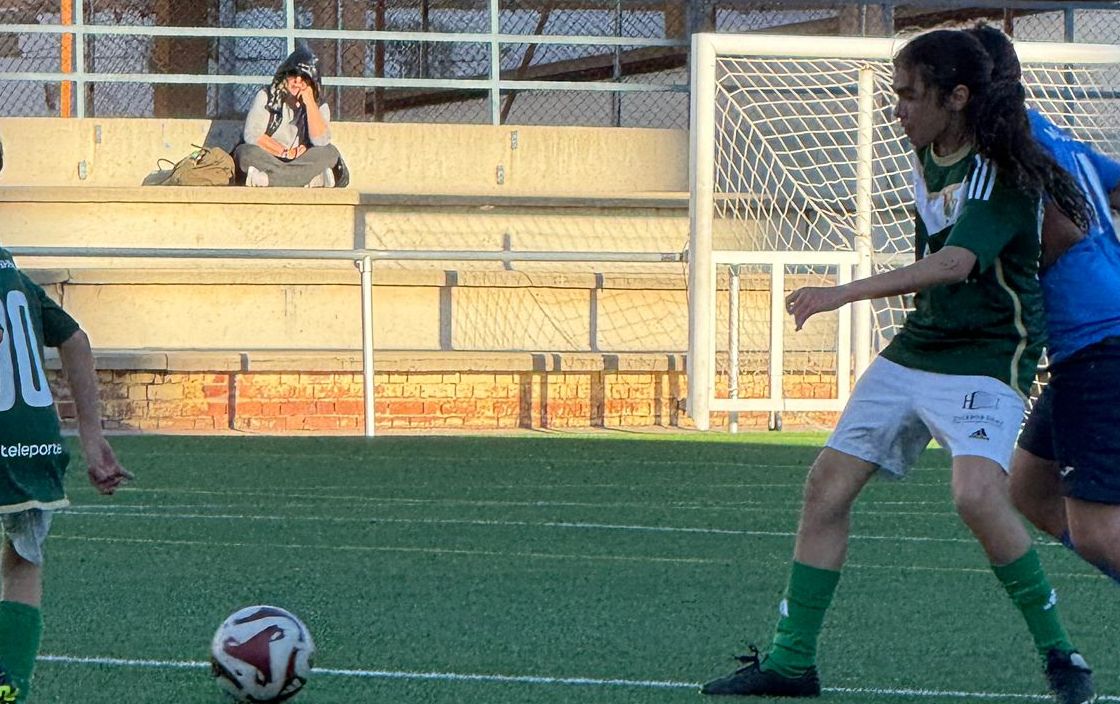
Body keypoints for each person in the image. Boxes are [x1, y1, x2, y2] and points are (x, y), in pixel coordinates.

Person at [700, 28, 1096, 703]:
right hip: (921, 344)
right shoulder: (931, 152)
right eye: (896, 96)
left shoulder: (997, 168)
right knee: (825, 486)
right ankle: (792, 664)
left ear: (957, 97)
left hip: (988, 357)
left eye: (910, 96)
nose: (898, 109)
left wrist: (839, 293)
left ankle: (1063, 654)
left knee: (975, 495)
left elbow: (955, 263)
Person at [965, 22, 1120, 586]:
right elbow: (1111, 187)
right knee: (1029, 488)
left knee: (1101, 530)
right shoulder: (1047, 135)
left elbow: (1063, 233)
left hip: (1098, 341)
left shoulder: (1007, 150)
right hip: (1095, 337)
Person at [0, 138, 134, 701]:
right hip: (33, 443)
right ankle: (10, 683)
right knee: (21, 564)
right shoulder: (9, 268)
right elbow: (75, 338)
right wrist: (94, 439)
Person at [233, 45, 348, 188]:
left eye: (305, 77)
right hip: (271, 158)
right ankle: (310, 181)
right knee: (245, 153)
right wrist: (285, 152)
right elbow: (252, 135)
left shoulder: (320, 106)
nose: (297, 81)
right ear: (285, 76)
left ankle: (267, 180)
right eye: (293, 74)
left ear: (313, 82)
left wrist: (310, 102)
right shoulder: (265, 96)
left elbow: (321, 141)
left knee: (330, 153)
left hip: (302, 160)